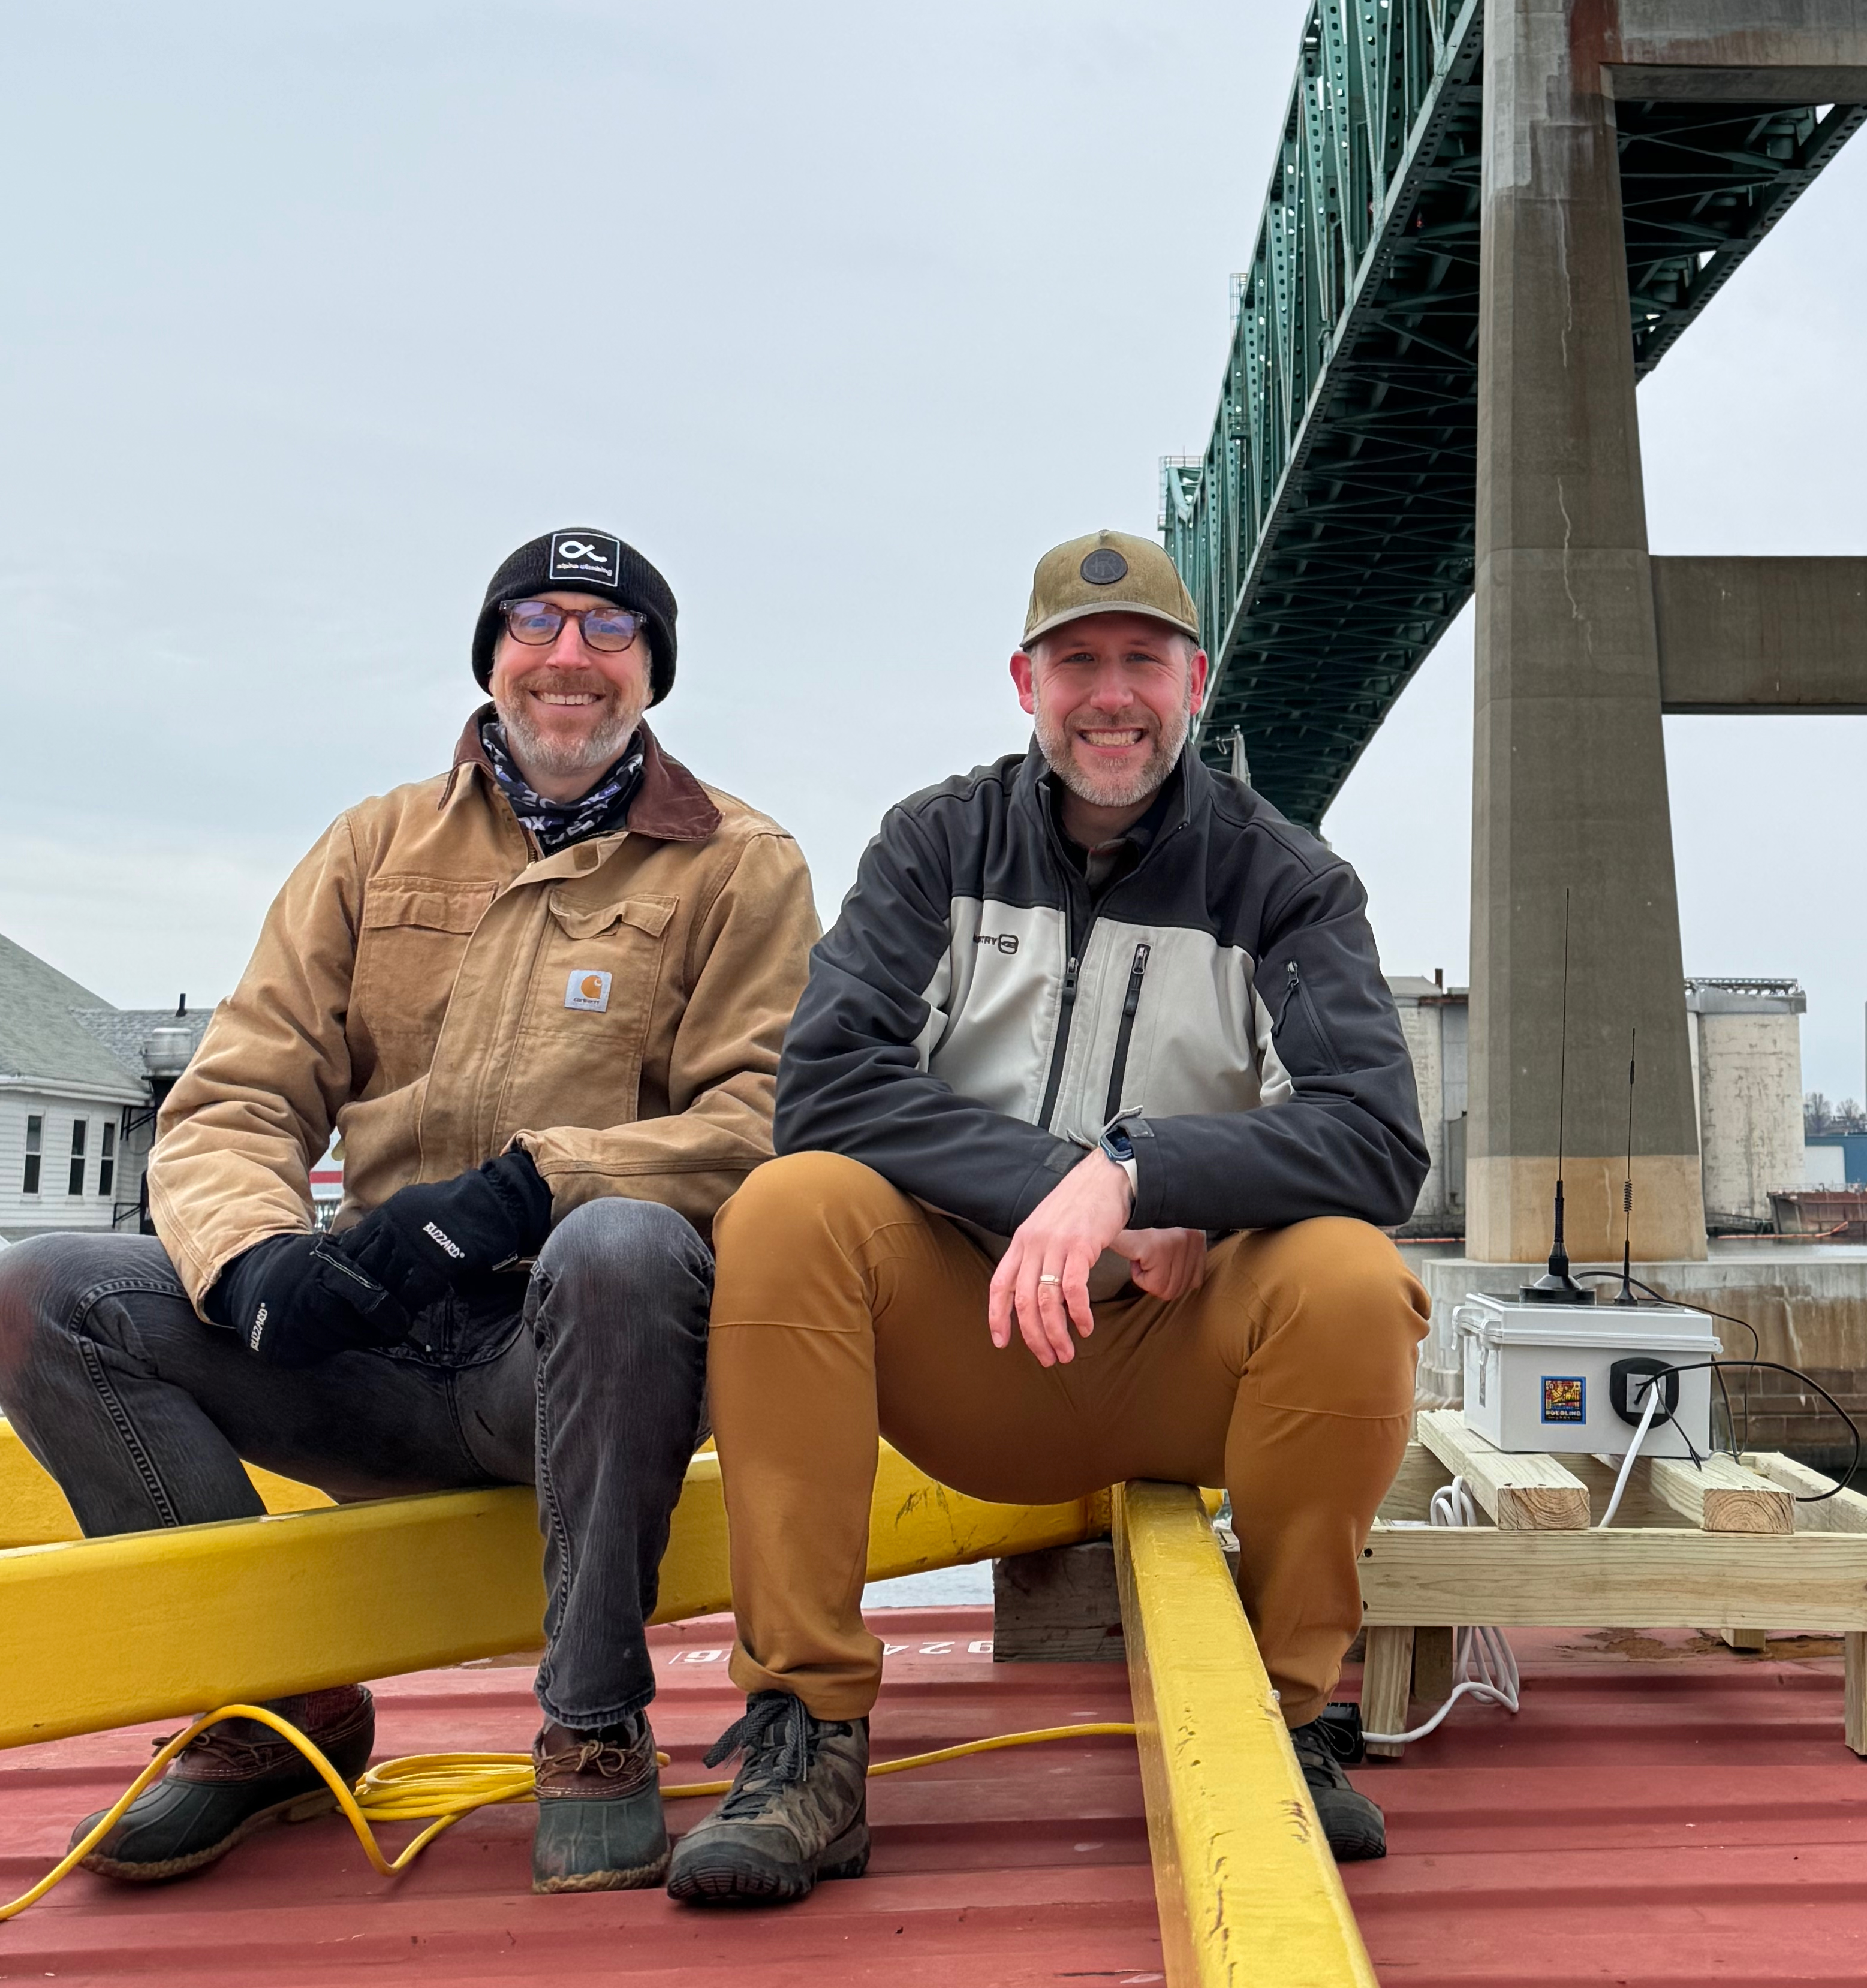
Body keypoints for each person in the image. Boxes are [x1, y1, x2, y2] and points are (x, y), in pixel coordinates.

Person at [0, 529, 820, 1899]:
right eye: (538, 622)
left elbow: (761, 1126)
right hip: (364, 1348)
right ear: (492, 652)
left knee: (624, 1248)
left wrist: (524, 1188)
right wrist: (255, 1256)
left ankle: (595, 1725)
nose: (571, 657)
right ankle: (270, 1709)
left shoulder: (741, 865)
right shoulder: (372, 844)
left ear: (654, 674)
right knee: (44, 1289)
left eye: (610, 633)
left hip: (565, 1363)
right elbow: (237, 1096)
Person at [666, 528, 1430, 1911]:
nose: (1111, 695)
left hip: (1191, 1359)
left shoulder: (1288, 881)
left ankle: (1294, 1711)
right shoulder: (932, 843)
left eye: (1143, 660)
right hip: (973, 1345)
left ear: (1196, 680)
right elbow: (824, 1088)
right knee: (789, 1211)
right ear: (1024, 683)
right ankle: (808, 1736)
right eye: (1078, 663)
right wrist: (1053, 1188)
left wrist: (1143, 1170)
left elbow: (1377, 1139)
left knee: (1351, 1277)